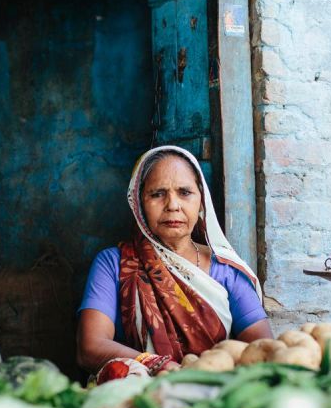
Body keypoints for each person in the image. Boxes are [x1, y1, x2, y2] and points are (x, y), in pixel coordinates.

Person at [77, 146, 272, 382]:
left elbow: (264, 351)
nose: (172, 205)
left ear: (201, 201)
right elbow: (90, 347)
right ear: (140, 203)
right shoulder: (114, 264)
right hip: (138, 397)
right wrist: (158, 364)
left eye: (185, 192)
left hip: (217, 392)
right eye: (158, 193)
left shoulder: (226, 269)